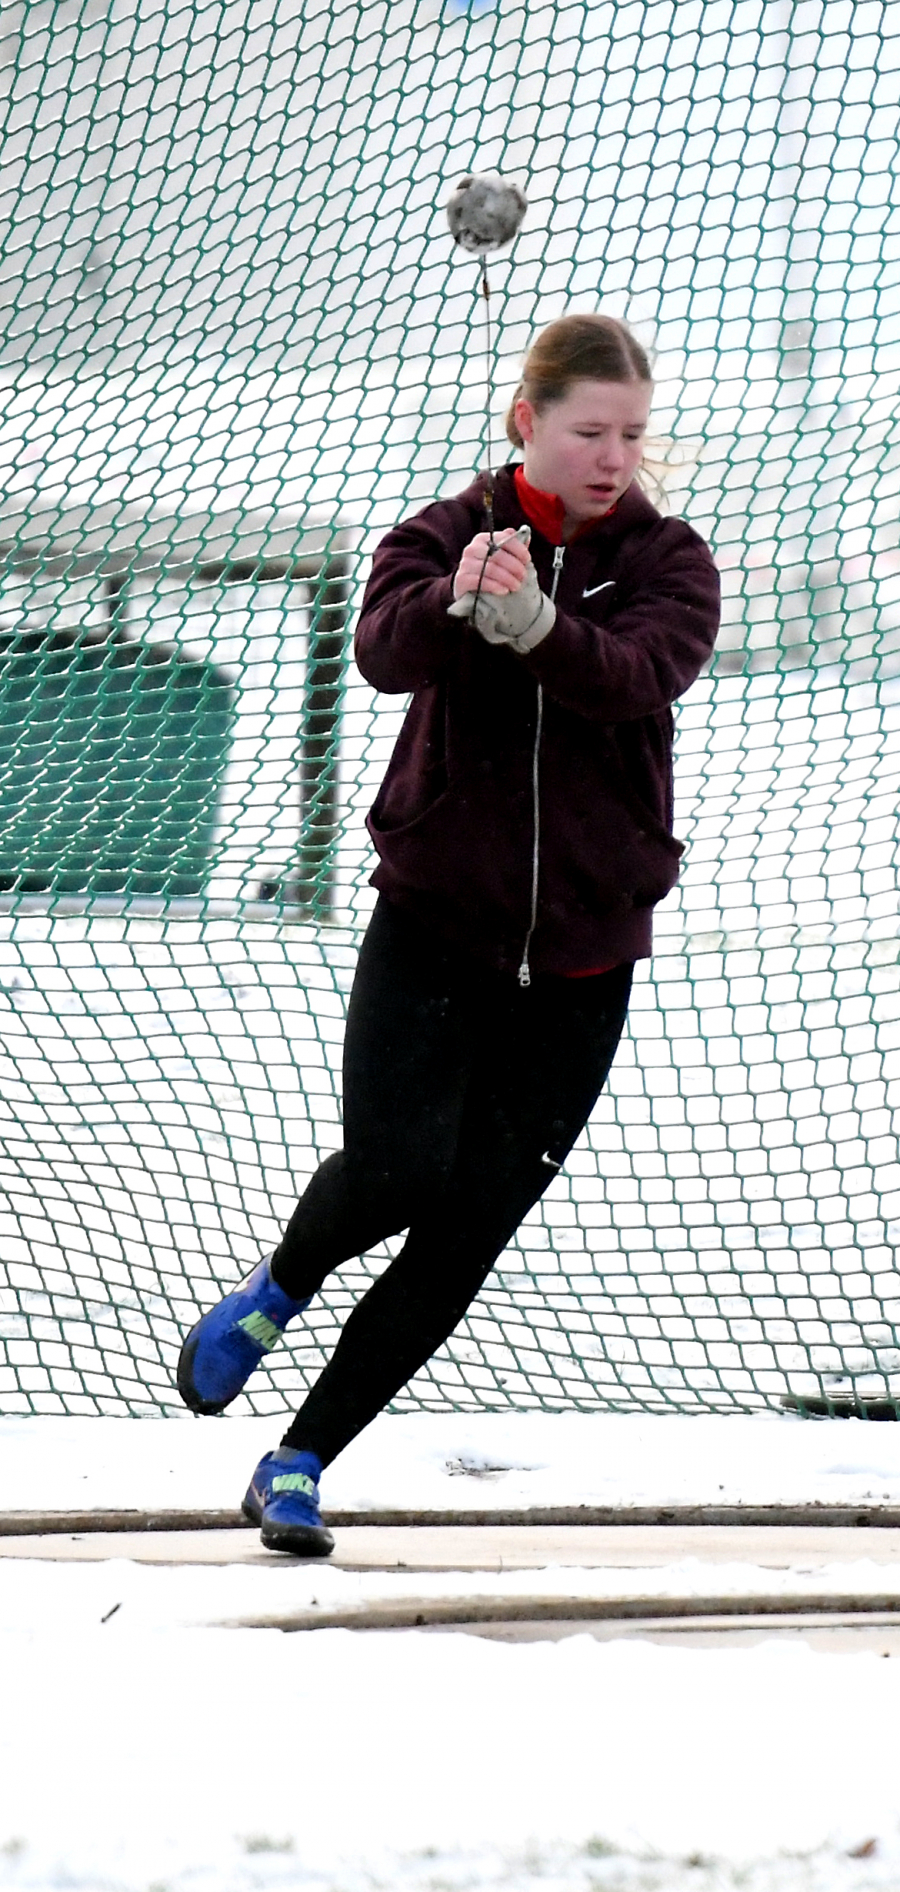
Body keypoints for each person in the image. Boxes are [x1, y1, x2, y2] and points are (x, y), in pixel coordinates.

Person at [177, 312, 721, 1556]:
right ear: (529, 422)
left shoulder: (669, 560)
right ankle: (276, 1290)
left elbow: (638, 675)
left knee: (467, 1228)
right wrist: (451, 602)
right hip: (435, 925)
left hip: (583, 956)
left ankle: (300, 1459)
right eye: (590, 431)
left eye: (631, 434)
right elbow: (378, 650)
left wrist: (535, 623)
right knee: (396, 1167)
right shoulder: (444, 531)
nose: (613, 456)